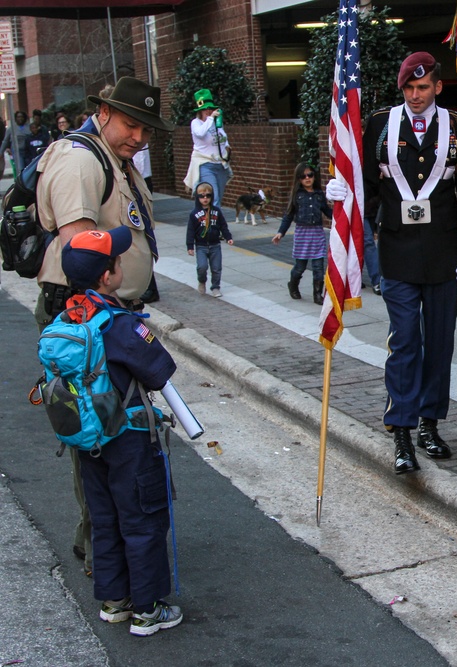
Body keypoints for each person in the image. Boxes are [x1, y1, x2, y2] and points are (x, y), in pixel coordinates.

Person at [34, 75, 173, 587]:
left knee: (116, 432)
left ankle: (118, 552)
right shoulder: (80, 159)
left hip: (111, 316)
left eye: (147, 130)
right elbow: (79, 253)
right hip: (86, 320)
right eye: (132, 124)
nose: (139, 136)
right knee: (98, 434)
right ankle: (104, 550)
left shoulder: (117, 161)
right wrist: (106, 317)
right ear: (105, 112)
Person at [329, 52, 457, 474]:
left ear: (438, 87)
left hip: (444, 251)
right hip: (397, 250)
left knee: (440, 342)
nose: (415, 95)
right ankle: (402, 430)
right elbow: (365, 183)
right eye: (409, 88)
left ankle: (430, 423)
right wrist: (341, 196)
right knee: (405, 340)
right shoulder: (379, 124)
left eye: (423, 87)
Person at [60, 227, 183, 636]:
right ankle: (148, 610)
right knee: (142, 518)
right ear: (106, 276)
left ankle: (116, 601)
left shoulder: (68, 318)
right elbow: (159, 368)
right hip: (128, 436)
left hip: (88, 438)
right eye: (116, 260)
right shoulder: (117, 322)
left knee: (105, 516)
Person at [272, 162, 332, 305]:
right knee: (300, 266)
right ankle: (293, 285)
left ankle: (317, 294)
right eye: (303, 176)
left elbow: (327, 211)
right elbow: (288, 215)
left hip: (317, 233)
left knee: (318, 266)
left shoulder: (319, 194)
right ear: (298, 179)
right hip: (302, 233)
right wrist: (281, 232)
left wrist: (340, 217)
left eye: (310, 175)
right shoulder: (297, 195)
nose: (307, 178)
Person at [183, 89, 231, 208]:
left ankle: (211, 222)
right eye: (205, 109)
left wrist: (227, 147)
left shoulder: (216, 123)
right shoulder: (196, 123)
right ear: (200, 111)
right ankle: (211, 225)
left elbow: (222, 136)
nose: (208, 111)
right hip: (205, 165)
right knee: (211, 197)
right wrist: (210, 119)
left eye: (210, 109)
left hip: (220, 164)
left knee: (218, 198)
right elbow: (200, 133)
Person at [187, 181, 234, 297]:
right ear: (197, 198)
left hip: (215, 245)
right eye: (202, 196)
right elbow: (190, 231)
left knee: (216, 268)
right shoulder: (194, 214)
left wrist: (228, 237)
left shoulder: (216, 211)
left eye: (208, 196)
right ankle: (202, 280)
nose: (205, 199)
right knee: (202, 267)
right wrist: (190, 246)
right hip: (201, 246)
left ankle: (215, 287)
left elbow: (223, 225)